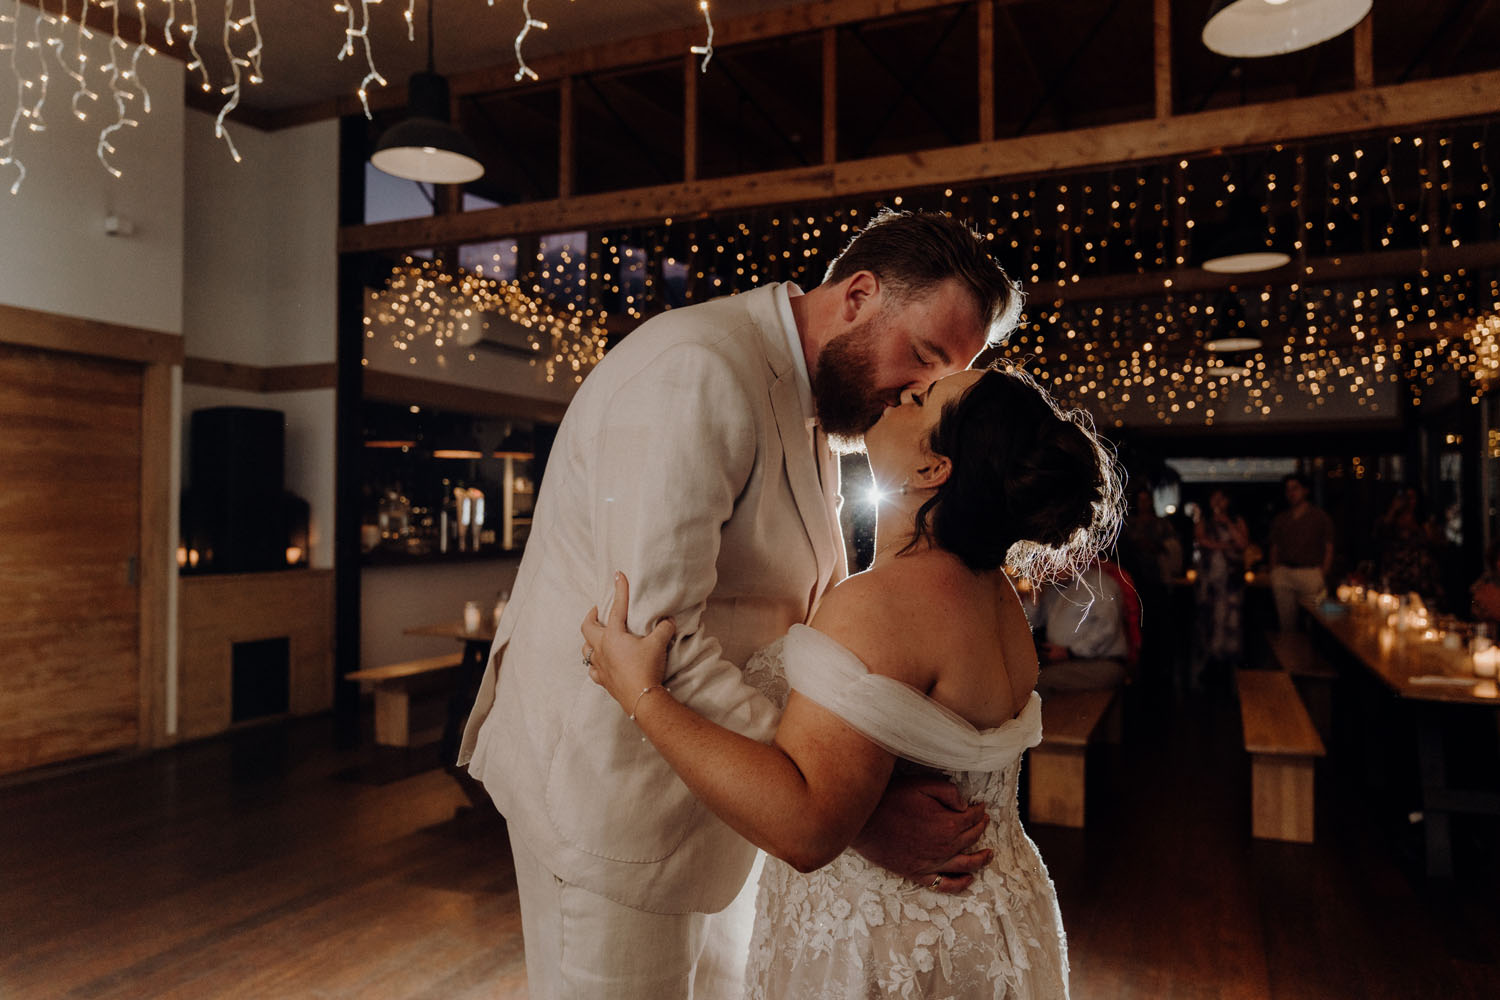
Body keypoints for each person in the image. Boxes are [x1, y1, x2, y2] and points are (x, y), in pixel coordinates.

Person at [457, 209, 1022, 998]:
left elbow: (794, 615)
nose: (919, 395)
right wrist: (843, 808)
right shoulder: (699, 368)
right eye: (923, 358)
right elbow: (659, 639)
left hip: (729, 802)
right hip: (616, 803)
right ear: (858, 295)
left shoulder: (826, 398)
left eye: (938, 383)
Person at [583, 363, 1124, 998]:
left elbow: (807, 829)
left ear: (932, 469)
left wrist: (641, 695)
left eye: (921, 398)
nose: (901, 389)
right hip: (995, 916)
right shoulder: (996, 595)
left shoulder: (882, 604)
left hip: (884, 940)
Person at [1030, 560, 1134, 697]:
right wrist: (1035, 592)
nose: (1049, 567)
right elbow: (1032, 623)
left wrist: (1070, 652)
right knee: (1024, 677)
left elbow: (1107, 629)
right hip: (1070, 662)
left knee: (1039, 683)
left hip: (1101, 663)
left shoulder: (1098, 583)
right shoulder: (1053, 588)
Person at [1192, 488, 1248, 688]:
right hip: (1210, 582)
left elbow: (1242, 543)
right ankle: (1210, 666)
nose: (1217, 502)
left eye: (1221, 498)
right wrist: (1226, 545)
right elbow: (1202, 541)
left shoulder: (1236, 520)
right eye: (1213, 498)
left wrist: (1228, 524)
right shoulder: (1203, 522)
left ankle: (1231, 669)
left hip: (1231, 582)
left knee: (1231, 621)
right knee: (1209, 622)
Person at [1268, 472, 1334, 632]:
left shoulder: (1319, 517)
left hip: (1310, 572)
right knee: (1286, 622)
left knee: (1316, 621)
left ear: (1305, 490)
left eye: (1295, 488)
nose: (1291, 493)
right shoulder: (1281, 519)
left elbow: (1329, 546)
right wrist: (1274, 570)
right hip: (1285, 572)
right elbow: (1274, 546)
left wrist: (1323, 573)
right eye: (1288, 490)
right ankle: (1289, 654)